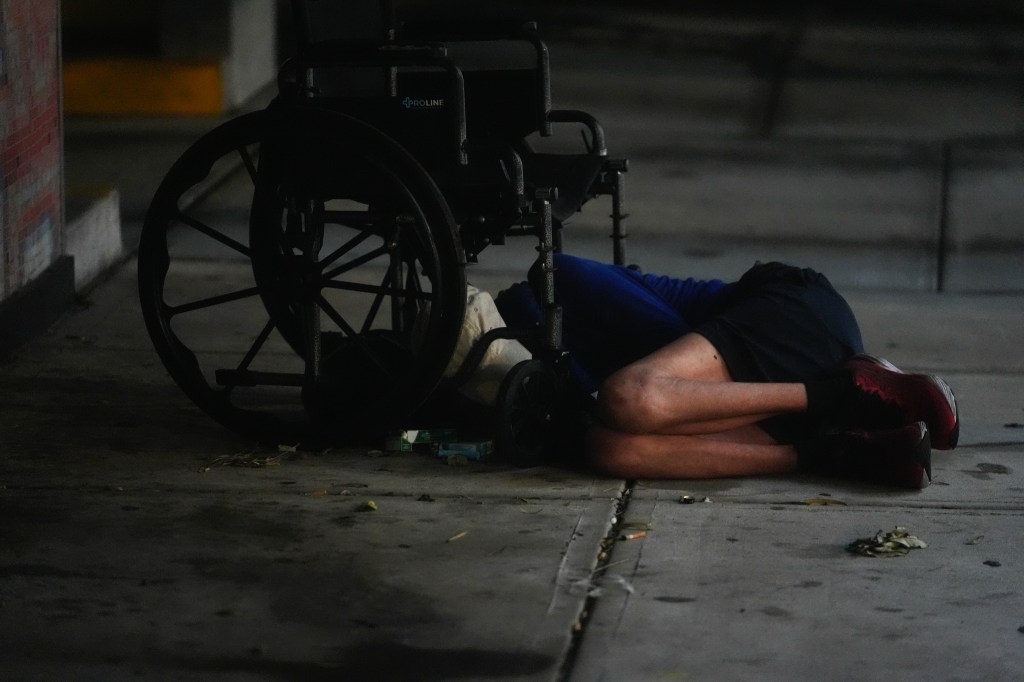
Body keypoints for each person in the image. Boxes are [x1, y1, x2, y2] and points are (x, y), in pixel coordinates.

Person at [494, 253, 959, 489]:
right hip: (762, 403)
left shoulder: (547, 287)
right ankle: (836, 450)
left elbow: (556, 273)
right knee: (607, 449)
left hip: (795, 318)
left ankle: (842, 394)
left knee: (628, 399)